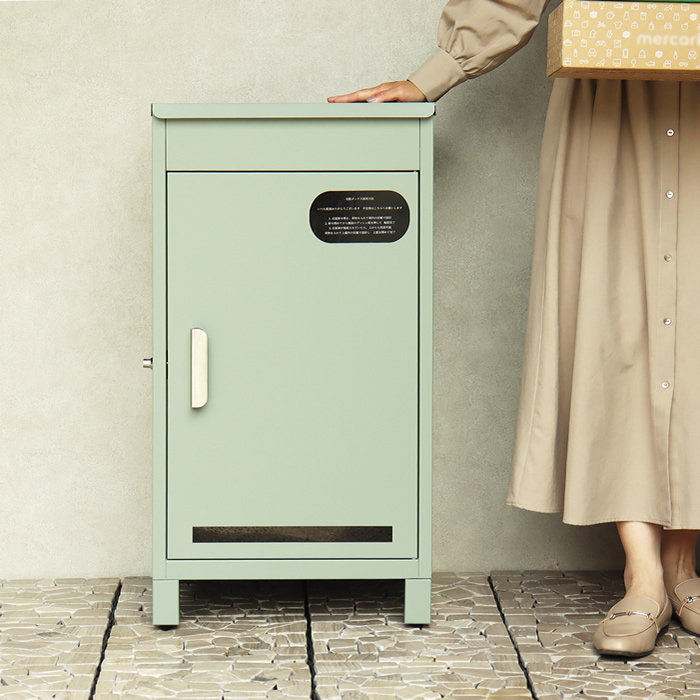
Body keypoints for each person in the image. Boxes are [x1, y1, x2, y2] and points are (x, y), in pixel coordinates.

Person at [329, 0, 700, 657]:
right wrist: (437, 73)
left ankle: (681, 565)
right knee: (613, 317)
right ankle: (642, 571)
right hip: (609, 88)